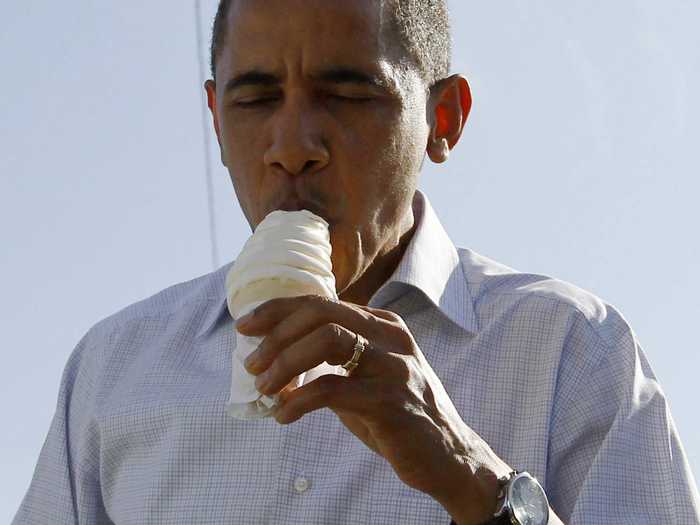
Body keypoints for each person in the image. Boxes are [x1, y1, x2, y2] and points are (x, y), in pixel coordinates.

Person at [13, 0, 700, 523]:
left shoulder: (573, 353)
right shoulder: (113, 374)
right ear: (217, 122)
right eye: (253, 100)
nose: (292, 146)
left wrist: (478, 483)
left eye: (346, 95)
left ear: (444, 119)